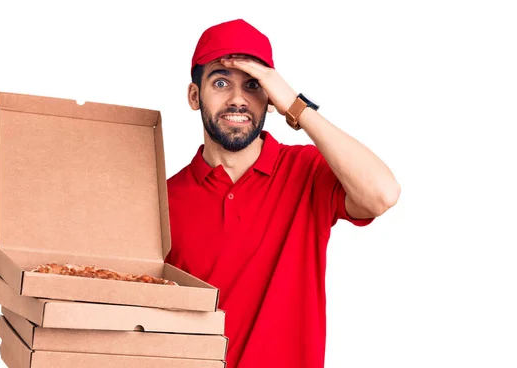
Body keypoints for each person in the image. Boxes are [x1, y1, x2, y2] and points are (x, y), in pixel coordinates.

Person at [164, 18, 401, 368]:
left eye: (254, 85)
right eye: (220, 82)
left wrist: (296, 105)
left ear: (272, 97)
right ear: (195, 96)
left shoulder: (307, 171)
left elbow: (382, 194)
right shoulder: (162, 198)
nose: (237, 100)